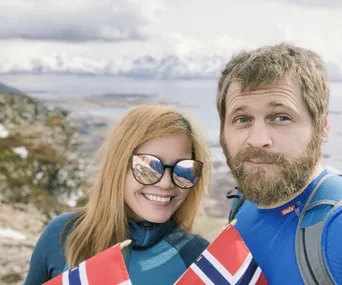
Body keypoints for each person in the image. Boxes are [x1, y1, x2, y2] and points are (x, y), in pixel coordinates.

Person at [24, 104, 211, 285]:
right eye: (147, 166)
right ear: (118, 166)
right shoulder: (63, 235)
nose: (166, 183)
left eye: (184, 169)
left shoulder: (198, 257)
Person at [217, 43, 342, 284]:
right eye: (242, 119)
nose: (258, 140)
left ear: (322, 126)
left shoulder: (335, 226)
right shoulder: (242, 206)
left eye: (281, 117)